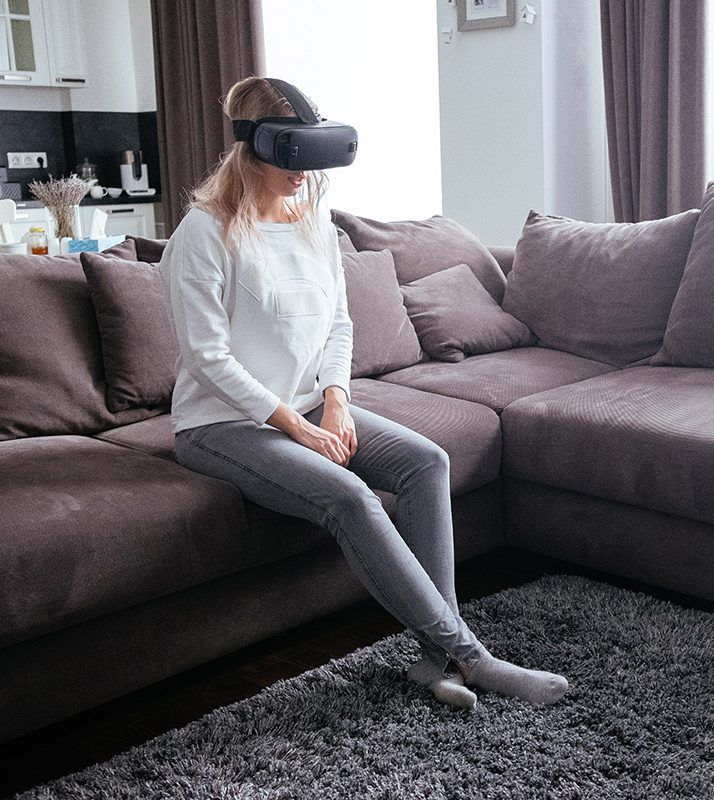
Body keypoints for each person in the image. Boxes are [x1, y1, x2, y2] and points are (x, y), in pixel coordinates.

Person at [157, 76, 567, 709]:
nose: (305, 171)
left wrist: (338, 399)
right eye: (290, 153)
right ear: (250, 147)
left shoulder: (315, 226)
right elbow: (207, 358)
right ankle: (470, 656)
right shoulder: (203, 235)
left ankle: (435, 661)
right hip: (221, 425)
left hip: (311, 403)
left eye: (315, 152)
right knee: (350, 497)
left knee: (426, 461)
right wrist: (296, 424)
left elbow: (338, 327)